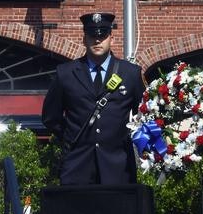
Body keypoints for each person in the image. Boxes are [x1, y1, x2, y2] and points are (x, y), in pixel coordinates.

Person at [42, 12, 145, 186]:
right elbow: (50, 117)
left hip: (118, 168)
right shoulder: (66, 73)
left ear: (111, 38)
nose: (97, 41)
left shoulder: (130, 73)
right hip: (77, 167)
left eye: (103, 35)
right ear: (84, 39)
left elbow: (144, 114)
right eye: (92, 36)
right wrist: (72, 137)